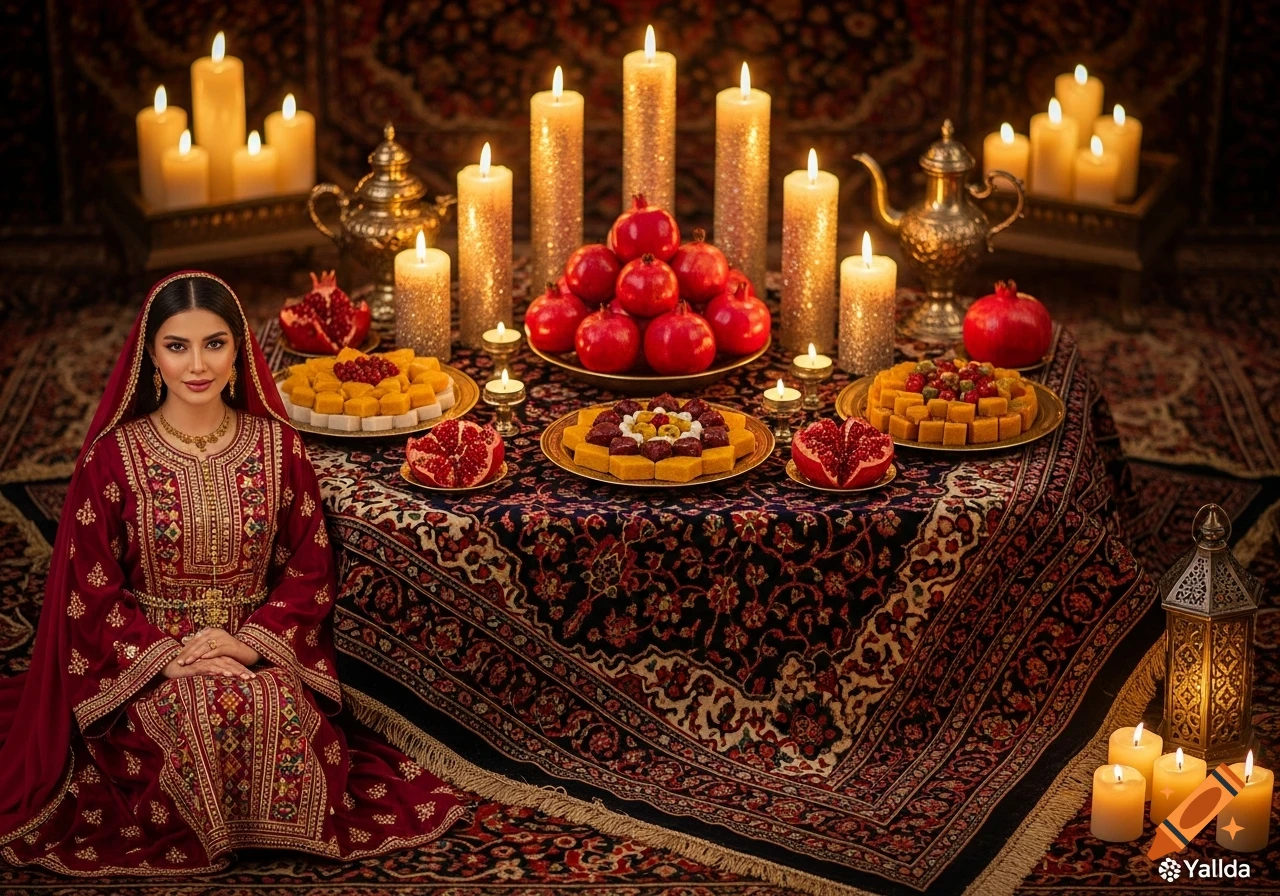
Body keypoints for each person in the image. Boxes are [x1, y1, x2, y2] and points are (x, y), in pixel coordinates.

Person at [0, 271, 465, 874]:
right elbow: (92, 589)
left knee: (272, 708)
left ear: (239, 347)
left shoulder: (278, 446)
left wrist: (245, 647)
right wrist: (169, 657)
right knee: (194, 715)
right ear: (150, 354)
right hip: (148, 662)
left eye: (215, 343)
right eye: (178, 345)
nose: (198, 364)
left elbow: (308, 568)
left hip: (255, 652)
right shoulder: (113, 458)